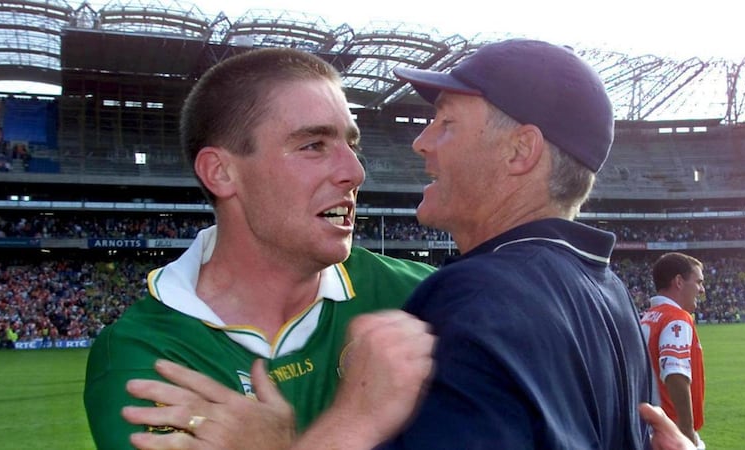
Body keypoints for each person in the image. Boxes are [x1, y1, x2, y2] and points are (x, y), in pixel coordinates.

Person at [126, 39, 668, 449]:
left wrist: (313, 435)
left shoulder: (470, 298)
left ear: (520, 151)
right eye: (314, 144)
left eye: (446, 123)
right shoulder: (614, 299)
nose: (421, 141)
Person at [83, 47, 438, 450]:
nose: (354, 172)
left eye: (350, 145)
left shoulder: (424, 295)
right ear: (221, 172)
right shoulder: (146, 353)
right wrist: (354, 421)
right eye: (313, 145)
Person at [640, 252, 707, 449]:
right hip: (672, 431)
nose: (701, 289)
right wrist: (686, 432)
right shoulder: (677, 318)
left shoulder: (647, 317)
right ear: (679, 281)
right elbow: (675, 373)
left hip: (652, 427)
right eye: (698, 282)